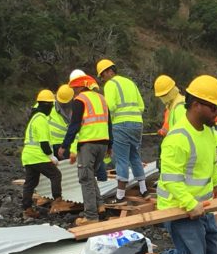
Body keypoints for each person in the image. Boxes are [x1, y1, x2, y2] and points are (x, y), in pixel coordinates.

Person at [143, 75, 217, 254]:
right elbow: (171, 181)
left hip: (201, 207)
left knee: (212, 248)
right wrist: (190, 205)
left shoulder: (209, 133)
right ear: (196, 104)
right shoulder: (177, 138)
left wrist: (216, 185)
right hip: (179, 209)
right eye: (213, 107)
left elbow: (209, 162)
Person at [59, 70, 111, 226]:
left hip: (88, 143)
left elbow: (74, 125)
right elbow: (110, 123)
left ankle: (90, 216)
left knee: (85, 178)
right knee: (91, 175)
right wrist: (111, 145)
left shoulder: (80, 100)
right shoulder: (101, 98)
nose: (74, 91)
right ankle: (99, 205)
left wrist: (65, 145)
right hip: (103, 143)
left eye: (74, 88)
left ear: (80, 87)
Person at [97, 59, 148, 203]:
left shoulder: (110, 85)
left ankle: (120, 196)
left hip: (120, 124)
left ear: (109, 71)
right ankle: (143, 190)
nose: (102, 78)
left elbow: (111, 107)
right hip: (137, 124)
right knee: (135, 156)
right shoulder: (130, 83)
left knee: (121, 160)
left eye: (102, 75)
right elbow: (141, 106)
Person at [21, 90, 64, 219]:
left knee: (30, 183)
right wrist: (51, 156)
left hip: (28, 156)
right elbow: (44, 143)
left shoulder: (34, 118)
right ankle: (57, 202)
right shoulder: (41, 120)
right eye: (51, 105)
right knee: (55, 175)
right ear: (47, 105)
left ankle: (27, 209)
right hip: (37, 156)